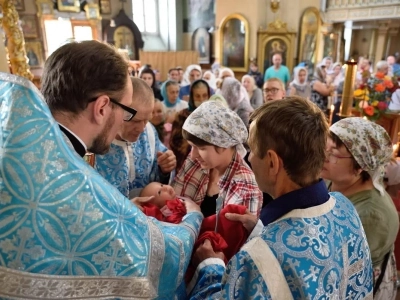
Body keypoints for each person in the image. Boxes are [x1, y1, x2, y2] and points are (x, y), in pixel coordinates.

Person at [0, 41, 203, 299]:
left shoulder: (15, 145)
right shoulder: (74, 186)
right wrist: (192, 219)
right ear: (102, 107)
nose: (124, 122)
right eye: (127, 111)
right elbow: (160, 260)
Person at [188, 97, 373, 299]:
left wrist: (210, 266)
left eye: (252, 149)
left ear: (272, 162)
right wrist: (261, 230)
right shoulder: (346, 207)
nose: (248, 158)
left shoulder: (257, 257)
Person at [321, 118, 399, 299]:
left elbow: (348, 273)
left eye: (333, 153)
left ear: (360, 166)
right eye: (325, 148)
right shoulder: (331, 180)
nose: (324, 156)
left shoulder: (372, 215)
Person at [172, 100, 262, 218]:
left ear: (222, 144)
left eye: (201, 148)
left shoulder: (245, 189)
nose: (193, 155)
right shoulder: (196, 161)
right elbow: (173, 203)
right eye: (191, 146)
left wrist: (194, 216)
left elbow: (231, 236)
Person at [95, 77, 177, 198]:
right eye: (135, 121)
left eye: (146, 120)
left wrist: (165, 167)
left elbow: (159, 175)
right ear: (116, 110)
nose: (141, 128)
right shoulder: (95, 140)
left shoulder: (149, 131)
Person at [170, 79, 211, 172]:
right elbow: (174, 142)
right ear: (192, 97)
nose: (201, 100)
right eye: (197, 96)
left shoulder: (213, 116)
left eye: (204, 96)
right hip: (187, 164)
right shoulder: (182, 116)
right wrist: (197, 147)